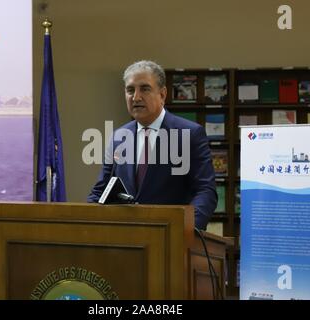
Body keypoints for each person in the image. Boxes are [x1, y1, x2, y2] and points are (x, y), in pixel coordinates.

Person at [87, 60, 217, 230]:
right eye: (130, 90)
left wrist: (188, 229)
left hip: (171, 238)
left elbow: (205, 190)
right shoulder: (119, 137)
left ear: (162, 95)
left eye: (145, 89)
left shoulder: (190, 134)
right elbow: (101, 191)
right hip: (127, 241)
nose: (136, 97)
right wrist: (86, 223)